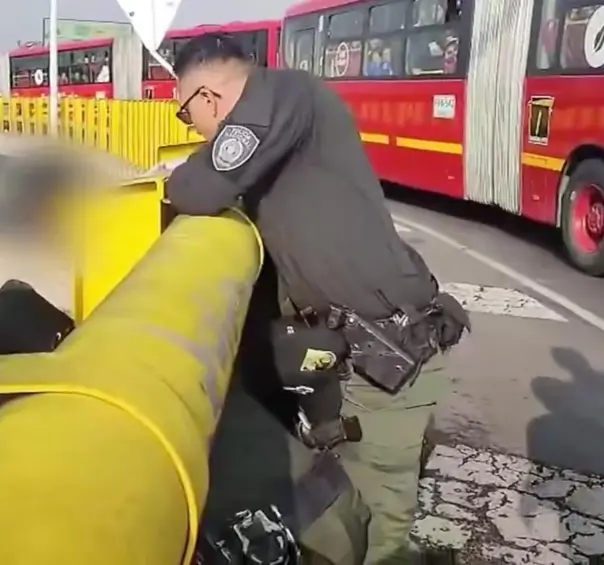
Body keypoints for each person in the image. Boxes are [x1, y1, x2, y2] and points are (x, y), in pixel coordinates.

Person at [164, 33, 470, 564]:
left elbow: (199, 187)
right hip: (358, 350)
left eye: (187, 118)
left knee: (379, 529)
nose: (196, 131)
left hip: (388, 351)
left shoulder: (281, 95)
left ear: (208, 97)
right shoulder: (285, 112)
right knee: (347, 509)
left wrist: (180, 180)